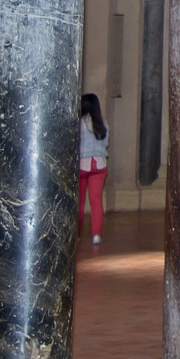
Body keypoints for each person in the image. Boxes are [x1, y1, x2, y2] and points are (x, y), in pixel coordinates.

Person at [78, 93, 109, 246]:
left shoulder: (79, 124)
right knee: (96, 201)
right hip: (99, 164)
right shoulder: (102, 123)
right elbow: (105, 143)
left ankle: (76, 233)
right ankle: (96, 234)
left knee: (79, 201)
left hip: (82, 164)